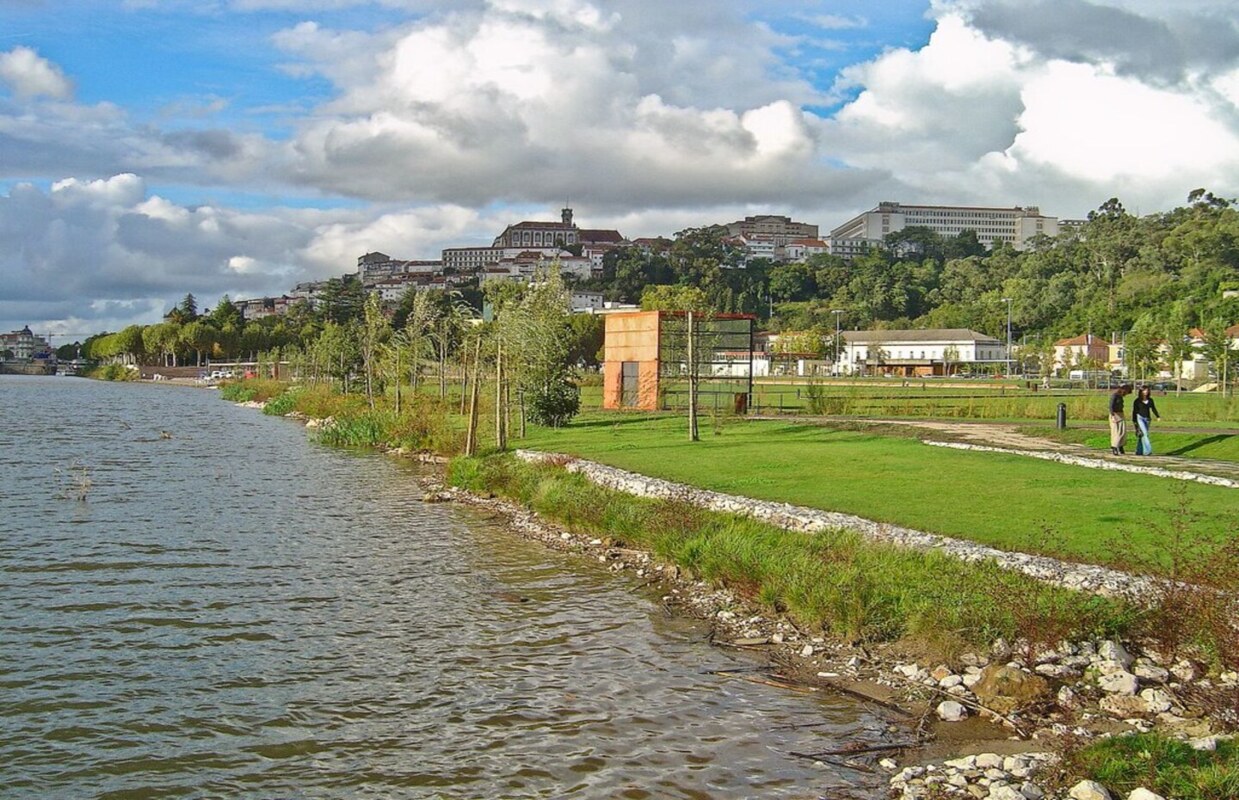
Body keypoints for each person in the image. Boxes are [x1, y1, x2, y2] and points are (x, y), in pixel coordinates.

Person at [1132, 385, 1161, 456]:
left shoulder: (1150, 400)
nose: (1146, 392)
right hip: (1140, 418)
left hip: (1147, 419)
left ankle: (1139, 450)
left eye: (1147, 390)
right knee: (1145, 434)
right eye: (1144, 390)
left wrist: (1157, 416)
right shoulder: (1137, 401)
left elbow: (1153, 408)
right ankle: (1148, 450)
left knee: (1142, 435)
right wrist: (1134, 421)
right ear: (1141, 391)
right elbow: (1134, 411)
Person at [1108, 383, 1132, 455]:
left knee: (1123, 432)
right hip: (1115, 414)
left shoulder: (1120, 396)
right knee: (1116, 432)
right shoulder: (1114, 395)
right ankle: (1114, 447)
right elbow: (1111, 406)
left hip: (1121, 414)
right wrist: (1113, 415)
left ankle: (1120, 446)